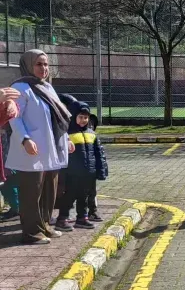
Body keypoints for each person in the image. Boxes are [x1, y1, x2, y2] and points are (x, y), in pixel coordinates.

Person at [6, 50, 75, 245]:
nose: (43, 68)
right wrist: (25, 139)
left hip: (51, 147)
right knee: (31, 192)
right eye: (38, 64)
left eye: (45, 64)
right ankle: (31, 232)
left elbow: (57, 118)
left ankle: (44, 225)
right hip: (31, 149)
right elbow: (15, 117)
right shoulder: (21, 87)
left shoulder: (47, 87)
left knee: (49, 191)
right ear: (28, 65)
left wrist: (66, 138)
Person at [55, 102, 108, 231]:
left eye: (86, 117)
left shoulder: (92, 134)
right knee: (69, 196)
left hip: (88, 173)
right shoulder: (67, 134)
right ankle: (62, 219)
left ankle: (82, 218)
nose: (83, 120)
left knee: (83, 197)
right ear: (74, 117)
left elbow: (99, 154)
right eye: (80, 117)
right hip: (72, 173)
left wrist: (101, 170)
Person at [0, 88, 20, 219]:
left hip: (7, 150)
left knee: (9, 180)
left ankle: (16, 208)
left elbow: (12, 111)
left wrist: (10, 103)